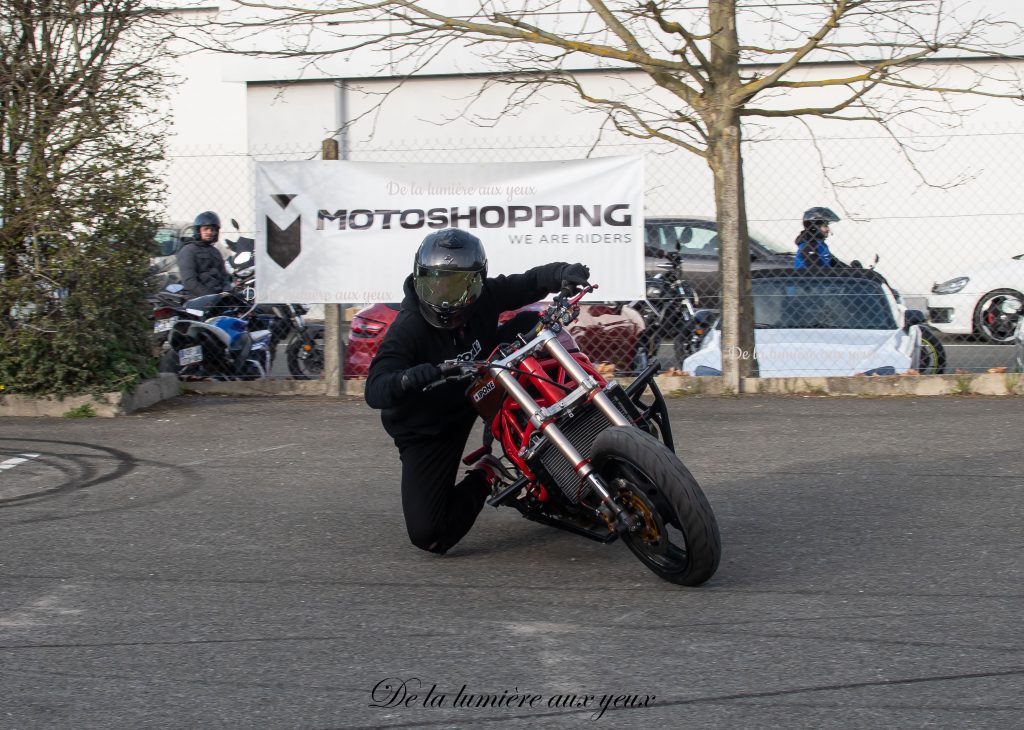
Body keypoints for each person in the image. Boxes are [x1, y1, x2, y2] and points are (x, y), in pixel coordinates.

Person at [364, 228, 590, 555]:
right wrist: (413, 377)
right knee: (429, 534)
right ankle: (487, 473)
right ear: (419, 277)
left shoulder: (485, 297)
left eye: (457, 285)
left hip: (481, 387)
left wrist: (561, 273)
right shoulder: (408, 328)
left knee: (535, 323)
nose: (444, 296)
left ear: (477, 282)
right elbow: (375, 388)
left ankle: (582, 423)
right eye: (435, 282)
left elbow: (526, 282)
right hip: (430, 427)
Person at [176, 210, 230, 296]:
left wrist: (227, 291)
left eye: (212, 229)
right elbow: (189, 281)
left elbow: (225, 276)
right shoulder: (188, 250)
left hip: (220, 299)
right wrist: (210, 297)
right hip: (199, 300)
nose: (209, 232)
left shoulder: (215, 251)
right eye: (206, 229)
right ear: (198, 230)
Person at [794, 206, 841, 272]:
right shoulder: (808, 247)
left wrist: (852, 270)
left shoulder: (821, 245)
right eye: (825, 226)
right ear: (814, 227)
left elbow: (834, 263)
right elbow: (815, 273)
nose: (828, 229)